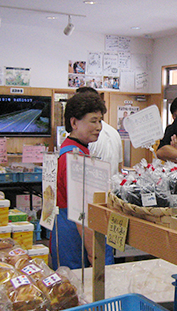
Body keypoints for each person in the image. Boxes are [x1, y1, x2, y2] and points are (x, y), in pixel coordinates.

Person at [50, 92, 115, 270]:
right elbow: (82, 216)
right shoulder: (74, 157)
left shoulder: (75, 149)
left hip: (68, 232)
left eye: (100, 121)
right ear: (74, 122)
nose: (99, 127)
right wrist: (95, 254)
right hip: (74, 239)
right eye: (93, 121)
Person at [77, 87, 123, 176]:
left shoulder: (87, 136)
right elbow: (119, 167)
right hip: (113, 187)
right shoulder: (114, 132)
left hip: (94, 188)